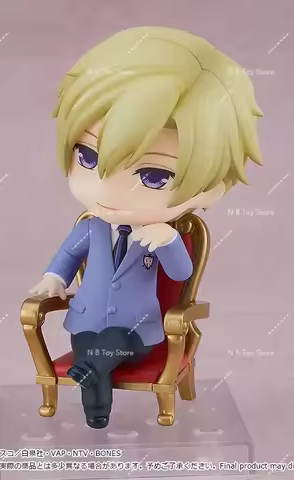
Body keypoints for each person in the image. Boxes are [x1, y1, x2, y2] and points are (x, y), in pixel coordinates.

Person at [29, 26, 263, 428]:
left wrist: (169, 239)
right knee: (93, 356)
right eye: (87, 157)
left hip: (138, 331)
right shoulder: (91, 227)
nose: (107, 189)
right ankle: (98, 417)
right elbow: (68, 255)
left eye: (154, 176)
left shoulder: (162, 235)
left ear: (211, 188)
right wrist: (53, 278)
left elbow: (181, 274)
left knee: (109, 347)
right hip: (85, 322)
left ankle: (92, 377)